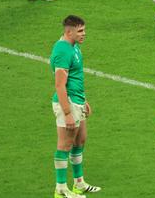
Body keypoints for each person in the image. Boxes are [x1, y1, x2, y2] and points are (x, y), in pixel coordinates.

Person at [50, 15, 101, 198]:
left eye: (84, 30)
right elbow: (59, 85)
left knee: (80, 141)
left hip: (77, 101)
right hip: (68, 103)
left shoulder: (75, 47)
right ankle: (61, 189)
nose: (84, 34)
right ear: (68, 31)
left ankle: (79, 183)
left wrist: (84, 100)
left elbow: (76, 78)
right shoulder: (63, 51)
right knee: (64, 145)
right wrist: (67, 113)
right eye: (80, 31)